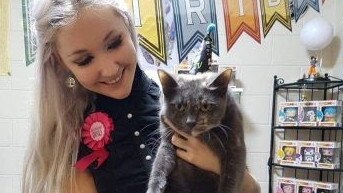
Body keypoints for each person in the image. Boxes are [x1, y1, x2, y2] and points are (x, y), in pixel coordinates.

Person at [22, 0, 260, 193]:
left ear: (128, 28)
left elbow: (253, 189)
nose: (110, 69)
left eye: (114, 43)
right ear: (62, 64)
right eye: (84, 60)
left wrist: (218, 166)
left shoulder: (180, 104)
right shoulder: (68, 139)